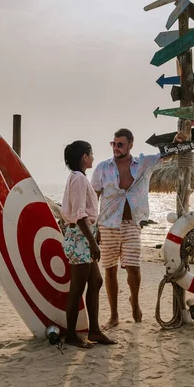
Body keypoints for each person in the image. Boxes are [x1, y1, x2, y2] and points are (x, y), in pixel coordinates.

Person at [91, 128, 186, 327]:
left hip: (132, 224)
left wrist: (177, 140)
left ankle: (134, 302)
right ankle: (114, 315)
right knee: (110, 270)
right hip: (107, 224)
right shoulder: (102, 168)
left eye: (120, 144)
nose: (116, 148)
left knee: (133, 268)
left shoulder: (143, 163)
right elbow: (94, 197)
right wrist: (94, 227)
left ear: (130, 145)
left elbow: (166, 154)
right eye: (113, 144)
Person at [61, 140, 116, 349]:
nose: (93, 157)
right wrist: (92, 242)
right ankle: (72, 336)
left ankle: (94, 330)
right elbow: (79, 214)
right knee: (77, 288)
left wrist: (95, 233)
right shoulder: (78, 179)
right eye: (91, 154)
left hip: (84, 236)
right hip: (80, 237)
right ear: (84, 157)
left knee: (96, 281)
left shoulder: (80, 178)